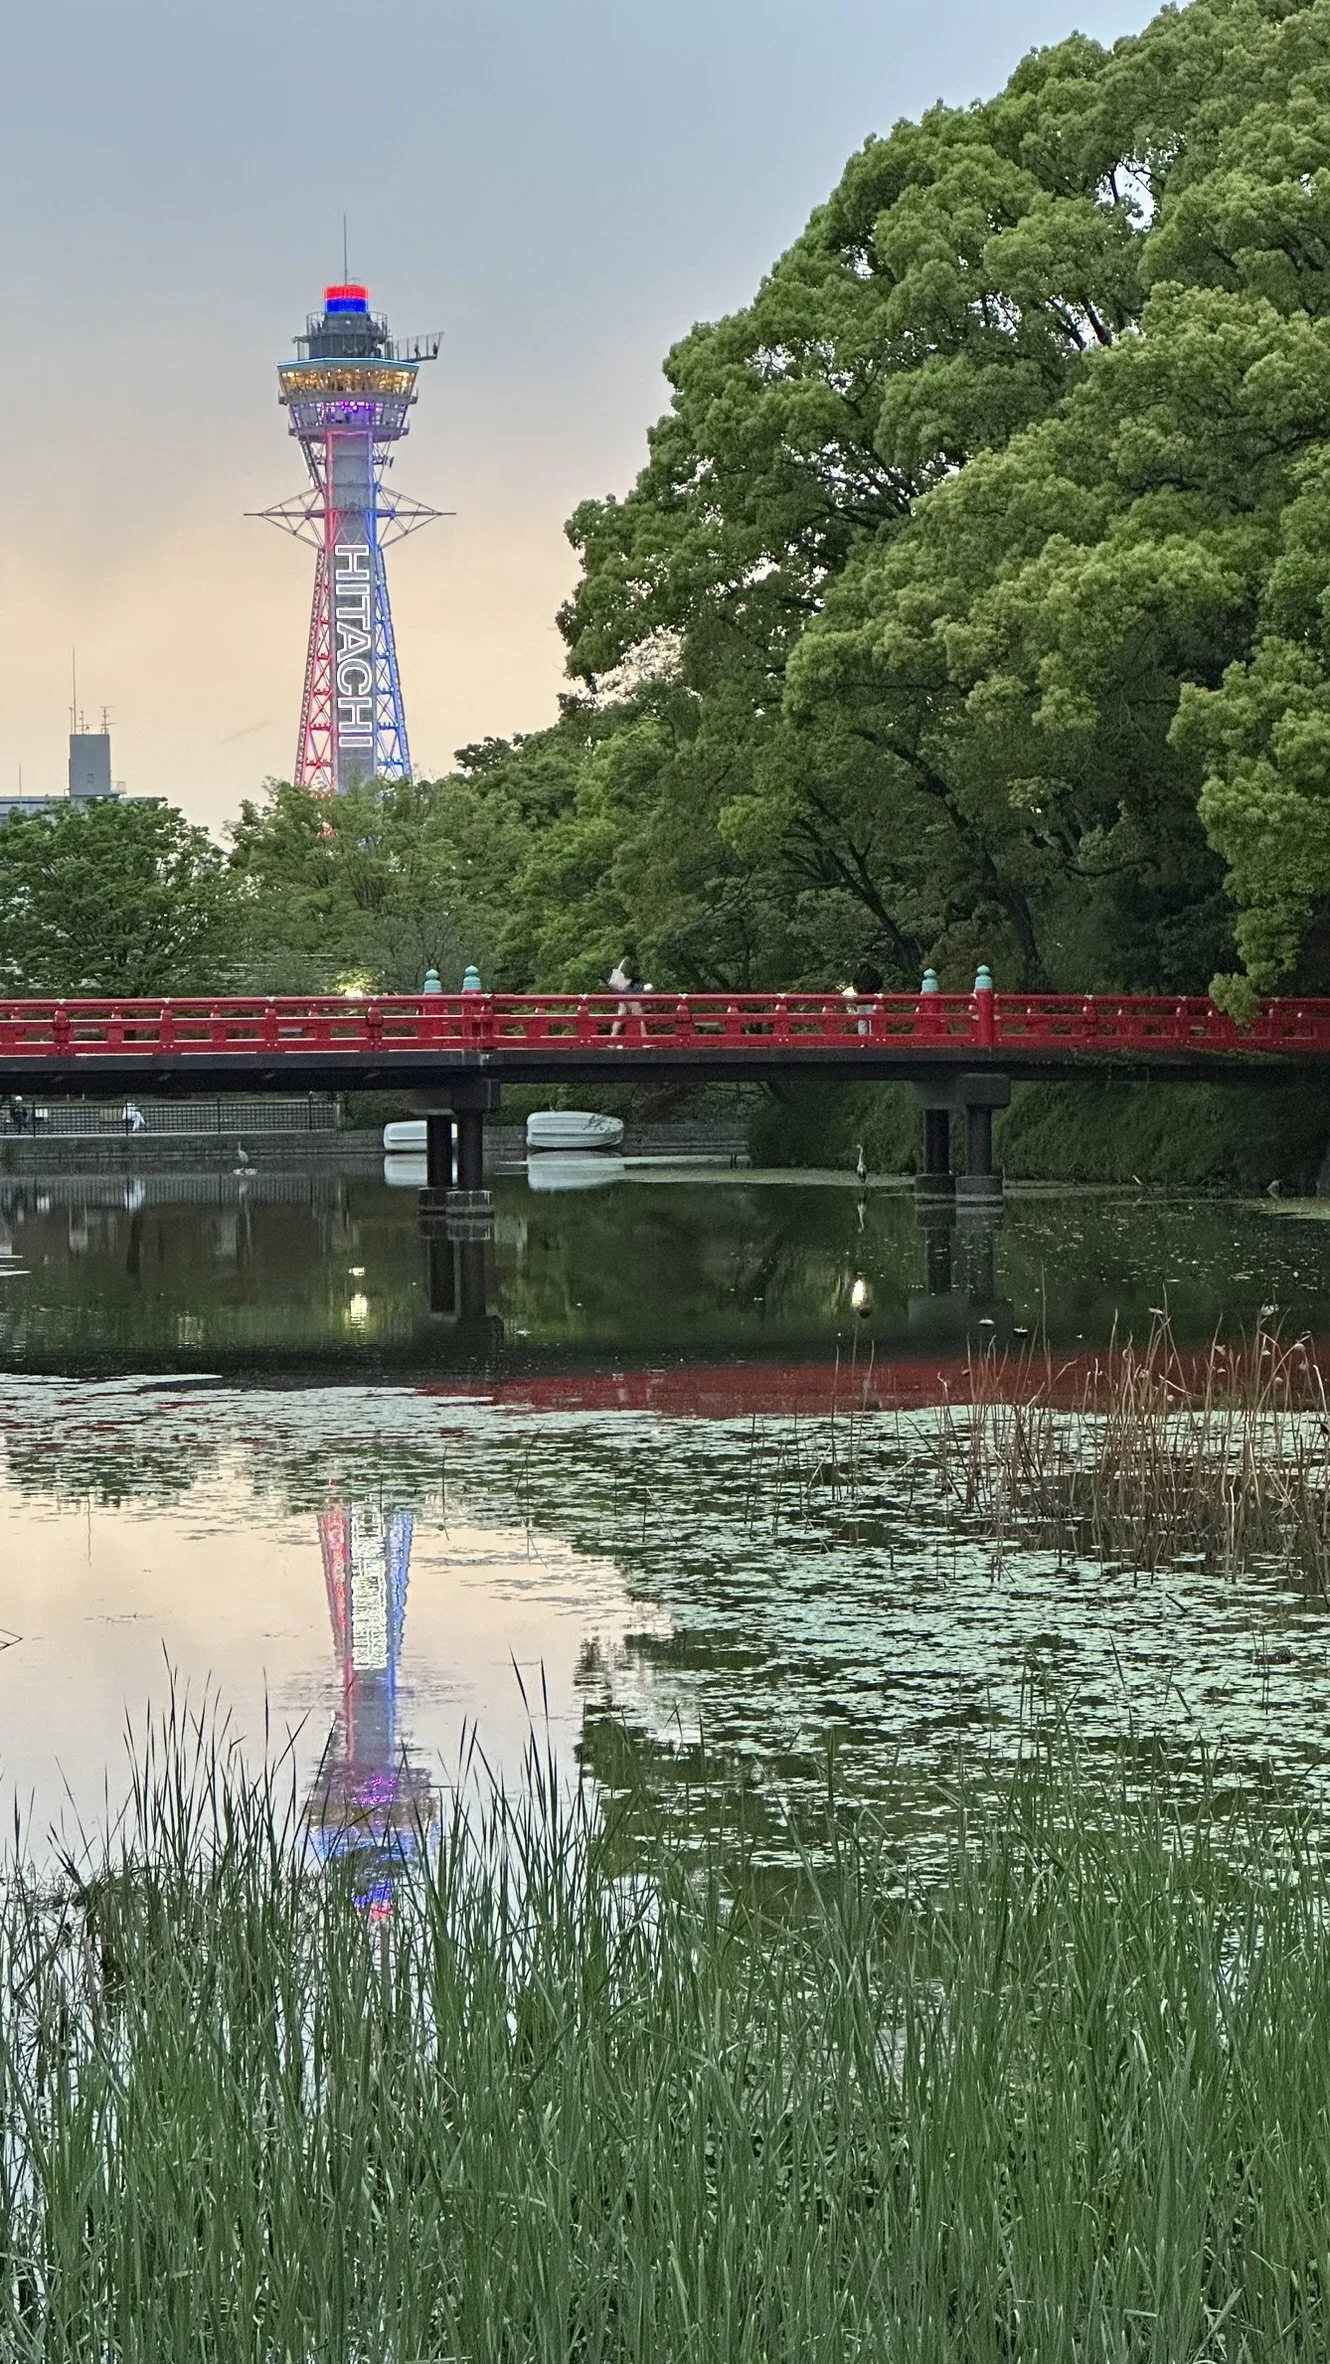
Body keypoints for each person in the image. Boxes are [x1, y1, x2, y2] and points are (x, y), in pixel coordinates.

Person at [842, 961, 884, 1037]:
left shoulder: (858, 973)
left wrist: (859, 992)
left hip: (861, 1000)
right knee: (872, 1021)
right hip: (872, 999)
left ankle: (862, 1041)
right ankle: (873, 1038)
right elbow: (879, 983)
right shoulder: (873, 973)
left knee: (862, 1021)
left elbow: (855, 984)